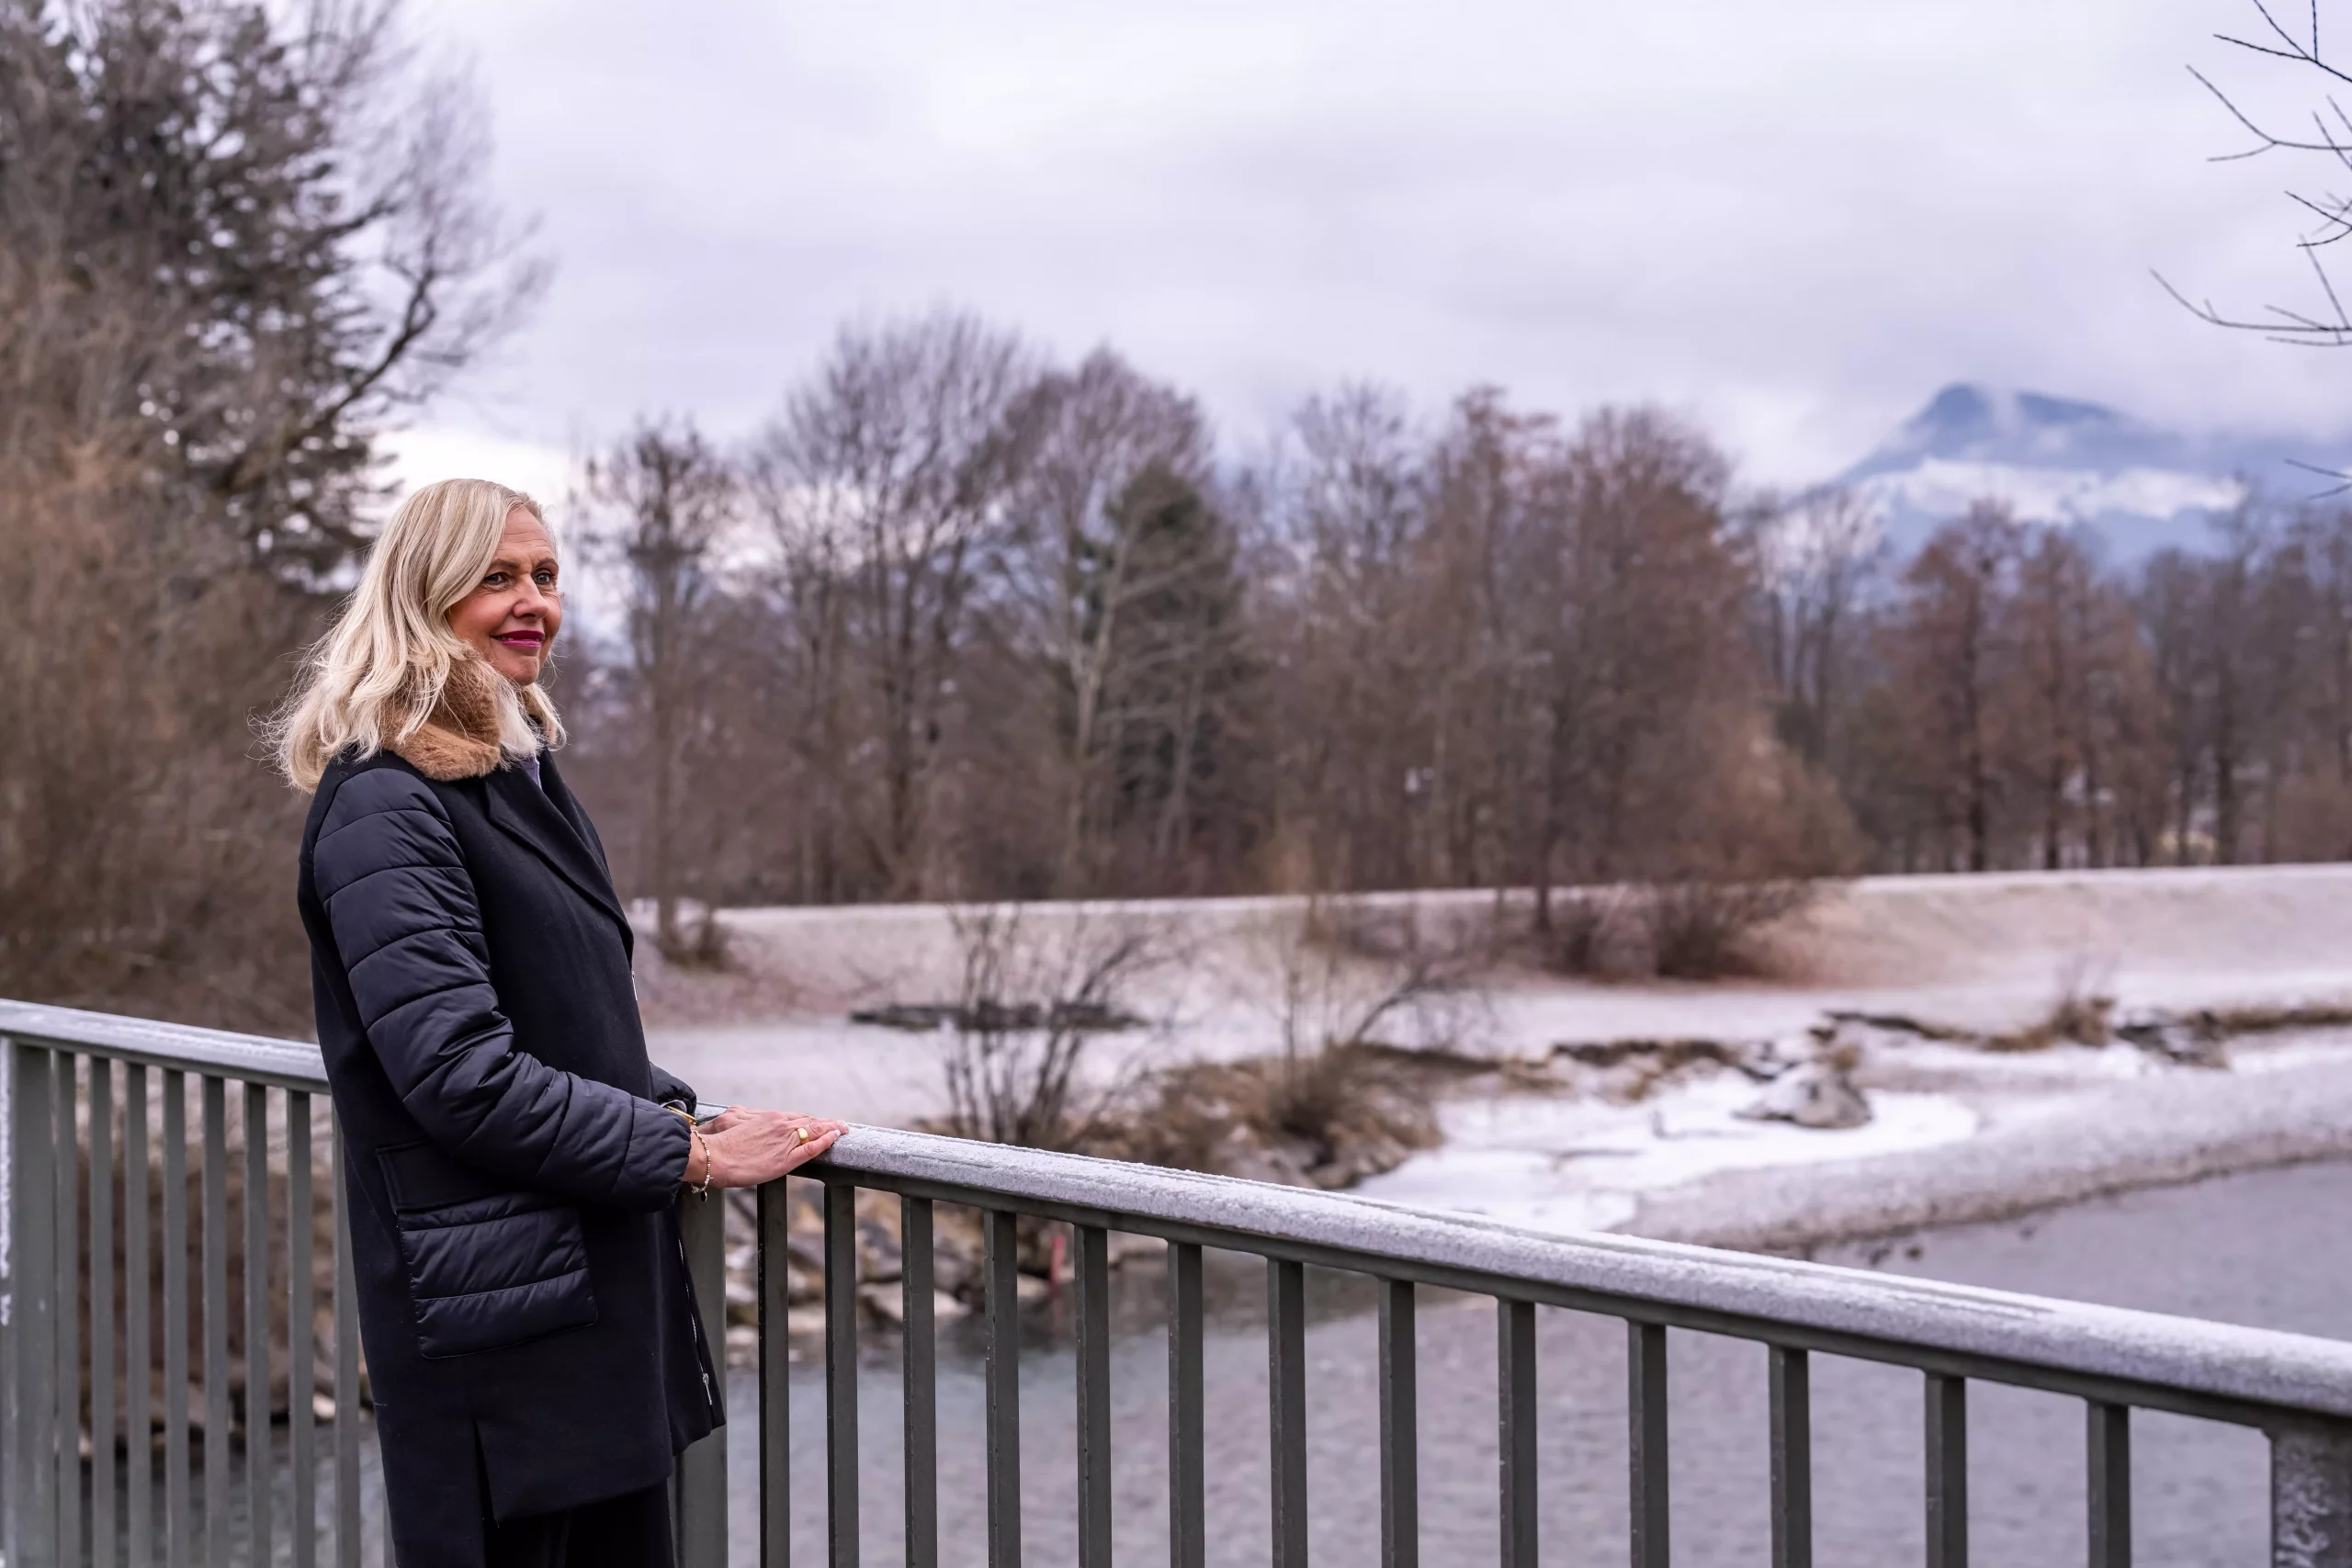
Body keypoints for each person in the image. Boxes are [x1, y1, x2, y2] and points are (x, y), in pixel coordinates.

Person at [277, 478, 845, 1567]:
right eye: (496, 578)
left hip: (569, 1307)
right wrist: (682, 1156)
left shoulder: (510, 775)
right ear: (421, 597)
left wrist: (675, 1114)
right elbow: (458, 1074)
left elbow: (559, 1021)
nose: (532, 600)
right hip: (500, 1333)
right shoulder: (385, 805)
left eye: (544, 575)